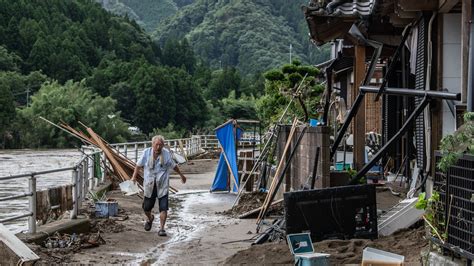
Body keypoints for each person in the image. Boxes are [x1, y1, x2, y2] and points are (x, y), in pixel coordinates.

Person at [131, 135, 186, 236]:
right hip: (149, 184)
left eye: (160, 145)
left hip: (162, 184)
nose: (158, 147)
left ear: (163, 145)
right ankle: (150, 218)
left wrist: (181, 175)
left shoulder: (166, 154)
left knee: (163, 207)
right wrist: (134, 178)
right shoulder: (146, 153)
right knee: (146, 208)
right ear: (152, 144)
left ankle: (161, 228)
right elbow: (138, 165)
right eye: (156, 145)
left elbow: (173, 166)